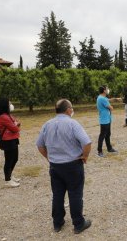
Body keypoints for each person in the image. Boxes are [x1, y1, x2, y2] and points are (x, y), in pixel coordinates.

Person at [36, 99, 92, 234]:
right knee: (75, 193)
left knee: (57, 194)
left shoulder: (47, 124)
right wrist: (85, 156)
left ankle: (57, 222)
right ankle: (78, 224)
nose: (72, 110)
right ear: (68, 110)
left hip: (55, 166)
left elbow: (40, 145)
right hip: (73, 165)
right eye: (71, 108)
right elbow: (87, 142)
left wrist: (49, 158)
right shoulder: (73, 123)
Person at [0, 98, 21, 188]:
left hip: (13, 139)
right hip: (8, 141)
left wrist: (15, 124)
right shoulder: (3, 117)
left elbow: (16, 123)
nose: (11, 105)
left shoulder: (7, 115)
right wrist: (15, 124)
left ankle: (10, 175)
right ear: (4, 106)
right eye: (9, 104)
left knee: (15, 158)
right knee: (9, 160)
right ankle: (8, 180)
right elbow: (15, 128)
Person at [96, 86, 118, 157]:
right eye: (107, 89)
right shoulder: (102, 99)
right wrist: (111, 107)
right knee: (102, 135)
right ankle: (99, 151)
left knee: (108, 134)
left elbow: (108, 100)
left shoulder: (101, 97)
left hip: (107, 119)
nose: (108, 90)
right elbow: (111, 108)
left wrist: (115, 99)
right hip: (104, 119)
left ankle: (109, 148)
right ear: (104, 91)